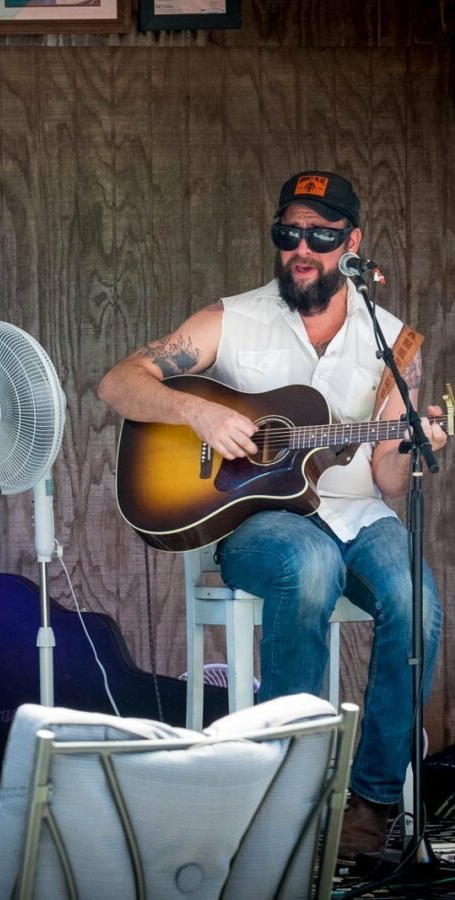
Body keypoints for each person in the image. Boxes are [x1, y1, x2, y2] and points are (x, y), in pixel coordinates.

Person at [98, 170, 447, 860]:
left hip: (358, 513)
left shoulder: (394, 342)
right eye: (288, 233)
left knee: (418, 605)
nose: (301, 249)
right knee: (309, 566)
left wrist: (411, 446)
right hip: (258, 521)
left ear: (352, 243)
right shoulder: (230, 318)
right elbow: (119, 382)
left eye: (319, 235)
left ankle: (370, 807)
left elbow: (388, 479)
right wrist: (196, 410)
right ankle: (284, 791)